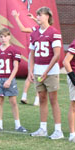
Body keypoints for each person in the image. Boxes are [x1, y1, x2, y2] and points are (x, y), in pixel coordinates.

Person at [12, 7, 63, 139]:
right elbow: (31, 54)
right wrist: (31, 70)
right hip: (38, 70)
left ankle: (58, 130)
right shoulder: (34, 33)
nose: (38, 17)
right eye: (37, 15)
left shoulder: (54, 32)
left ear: (47, 16)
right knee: (42, 99)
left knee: (53, 100)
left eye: (40, 15)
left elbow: (57, 54)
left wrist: (46, 71)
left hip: (50, 71)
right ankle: (43, 128)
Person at [0, 27, 27, 133]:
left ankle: (18, 125)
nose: (3, 38)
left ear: (9, 37)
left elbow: (16, 67)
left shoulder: (14, 51)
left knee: (13, 101)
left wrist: (9, 80)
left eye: (5, 36)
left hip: (9, 78)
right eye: (1, 37)